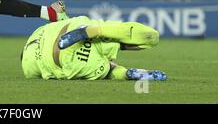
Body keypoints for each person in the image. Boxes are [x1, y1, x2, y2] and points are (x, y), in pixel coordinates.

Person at [21, 15, 167, 81]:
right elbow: (61, 21)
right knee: (150, 37)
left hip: (70, 62)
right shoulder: (37, 32)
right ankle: (97, 31)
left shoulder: (27, 68)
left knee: (108, 70)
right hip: (70, 29)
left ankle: (127, 73)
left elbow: (38, 76)